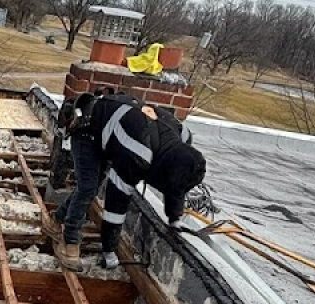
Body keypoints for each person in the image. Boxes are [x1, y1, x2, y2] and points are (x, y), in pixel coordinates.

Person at [45, 92, 206, 272]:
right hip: (87, 130)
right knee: (88, 188)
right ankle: (69, 242)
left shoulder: (182, 139)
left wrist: (175, 217)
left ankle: (55, 221)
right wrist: (109, 251)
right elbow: (115, 206)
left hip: (113, 132)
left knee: (93, 185)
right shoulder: (138, 155)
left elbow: (177, 183)